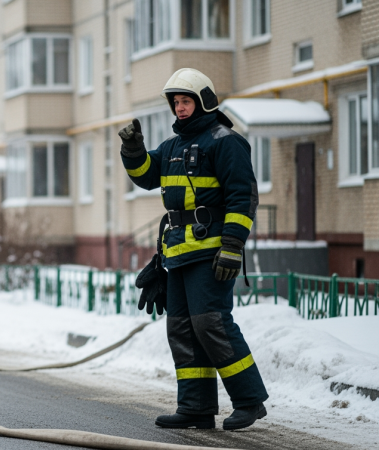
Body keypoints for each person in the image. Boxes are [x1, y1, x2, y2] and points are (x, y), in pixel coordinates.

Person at [119, 68, 268, 431]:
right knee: (182, 329)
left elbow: (243, 196)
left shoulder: (225, 141)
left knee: (211, 323)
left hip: (212, 252)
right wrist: (133, 149)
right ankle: (196, 407)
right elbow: (146, 175)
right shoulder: (172, 146)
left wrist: (232, 245)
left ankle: (249, 401)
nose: (180, 108)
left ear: (204, 101)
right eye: (176, 103)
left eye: (186, 101)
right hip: (177, 253)